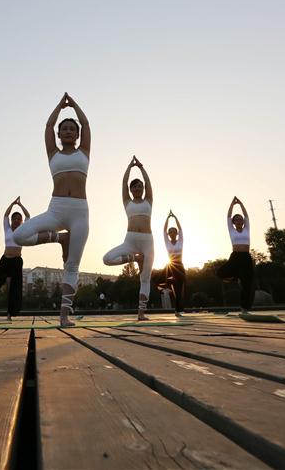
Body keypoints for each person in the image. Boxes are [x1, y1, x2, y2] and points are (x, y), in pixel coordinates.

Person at [13, 93, 91, 327]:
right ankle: (59, 238)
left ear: (77, 136)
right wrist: (59, 106)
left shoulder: (84, 152)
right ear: (59, 135)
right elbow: (47, 126)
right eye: (64, 129)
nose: (68, 131)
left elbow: (86, 124)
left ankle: (64, 315)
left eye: (71, 129)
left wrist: (75, 105)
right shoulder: (53, 153)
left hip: (79, 212)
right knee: (19, 235)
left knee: (72, 265)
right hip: (56, 209)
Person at [103, 156, 154, 321]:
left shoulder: (148, 200)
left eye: (140, 186)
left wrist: (141, 167)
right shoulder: (127, 202)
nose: (138, 188)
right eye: (135, 186)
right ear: (131, 190)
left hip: (147, 241)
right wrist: (129, 167)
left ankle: (141, 313)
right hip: (130, 241)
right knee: (107, 259)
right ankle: (134, 258)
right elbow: (123, 183)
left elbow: (148, 182)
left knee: (145, 277)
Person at [0, 197, 30, 321]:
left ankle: (10, 314)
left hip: (16, 262)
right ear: (12, 220)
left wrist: (21, 205)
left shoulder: (23, 230)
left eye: (20, 219)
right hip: (5, 260)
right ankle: (1, 281)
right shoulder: (7, 229)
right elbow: (5, 215)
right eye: (15, 219)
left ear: (21, 221)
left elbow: (28, 216)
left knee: (14, 288)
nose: (17, 221)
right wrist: (13, 204)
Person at [217, 197, 255, 313]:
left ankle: (244, 308)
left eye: (240, 219)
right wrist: (232, 204)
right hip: (235, 256)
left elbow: (247, 216)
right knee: (220, 273)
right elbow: (228, 217)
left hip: (246, 257)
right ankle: (235, 277)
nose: (239, 221)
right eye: (237, 220)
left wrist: (241, 204)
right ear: (234, 223)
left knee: (247, 285)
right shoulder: (232, 230)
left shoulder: (246, 228)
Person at [162, 210, 185, 316]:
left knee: (180, 289)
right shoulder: (167, 242)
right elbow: (163, 231)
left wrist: (175, 218)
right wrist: (167, 218)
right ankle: (177, 310)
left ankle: (178, 310)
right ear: (168, 234)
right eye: (170, 232)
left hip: (180, 266)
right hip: (171, 267)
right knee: (175, 288)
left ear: (176, 233)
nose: (172, 233)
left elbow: (180, 229)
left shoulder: (180, 241)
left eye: (173, 231)